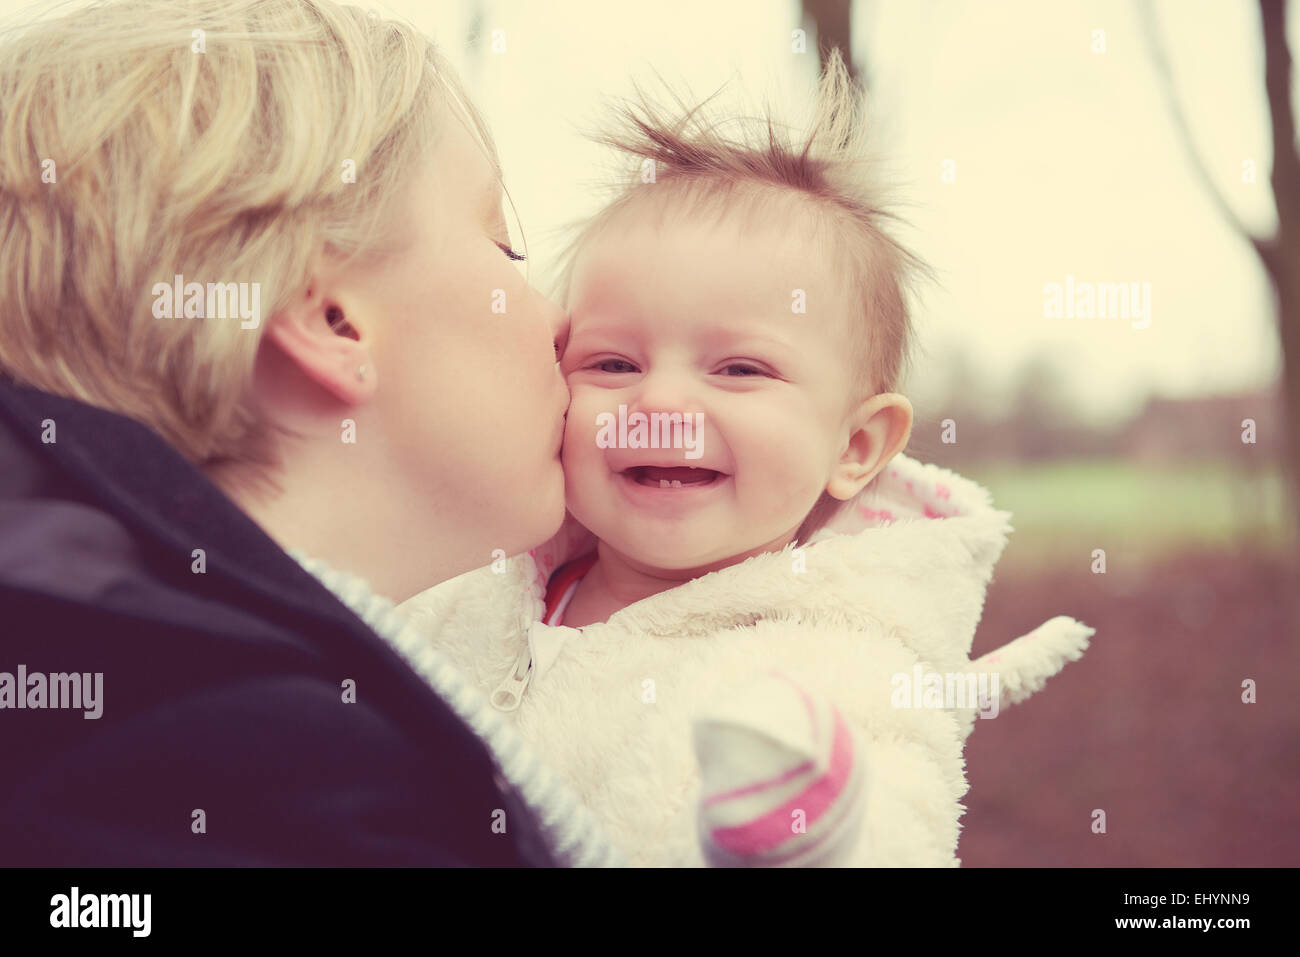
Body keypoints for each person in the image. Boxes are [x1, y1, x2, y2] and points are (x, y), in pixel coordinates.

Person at [399, 52, 1094, 865]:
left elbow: (896, 813)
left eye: (739, 369)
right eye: (613, 364)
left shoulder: (829, 662)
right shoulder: (474, 583)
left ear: (856, 445)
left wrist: (810, 835)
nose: (659, 405)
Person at [0, 0, 616, 866]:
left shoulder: (116, 692)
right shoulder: (277, 786)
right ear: (330, 320)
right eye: (506, 252)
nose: (560, 320)